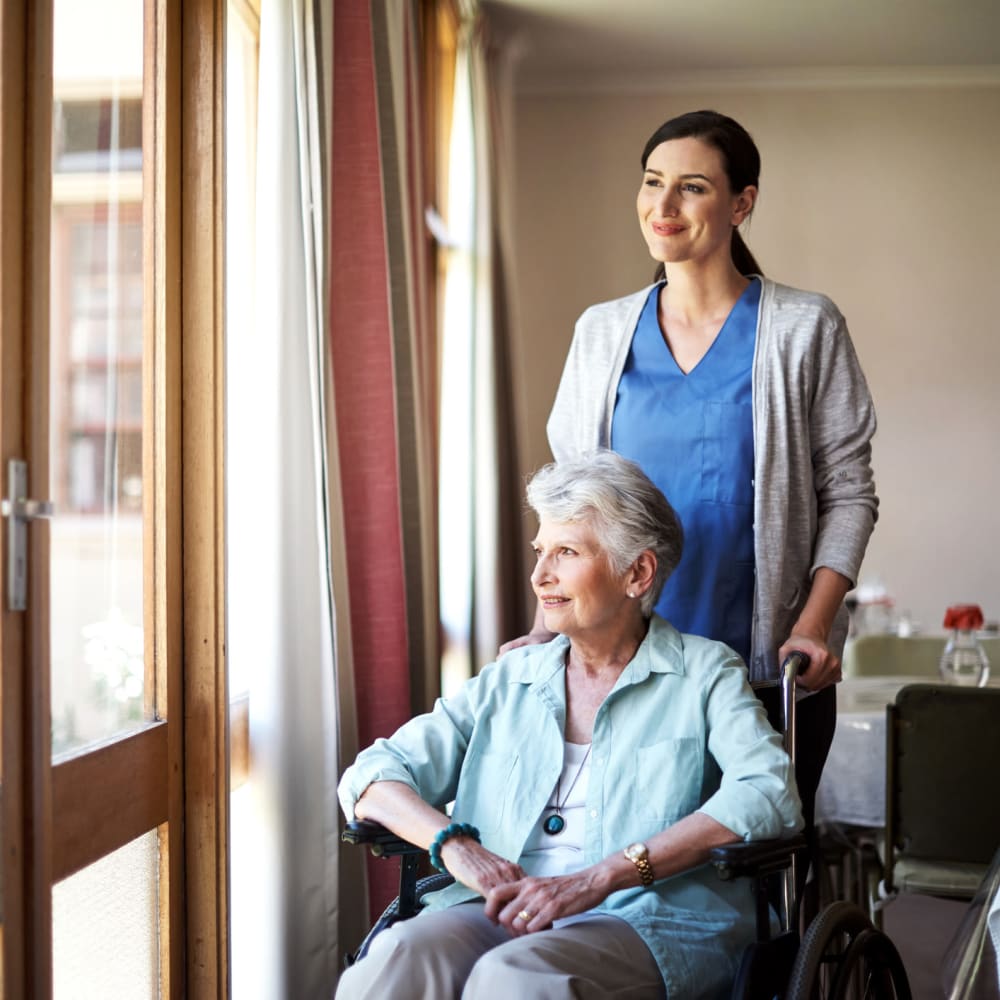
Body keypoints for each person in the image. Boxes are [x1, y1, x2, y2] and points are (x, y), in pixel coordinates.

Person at [505, 109, 878, 832]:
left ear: (741, 204)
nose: (663, 207)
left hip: (763, 669)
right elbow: (569, 507)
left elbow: (850, 492)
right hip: (620, 669)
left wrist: (813, 626)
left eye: (692, 187)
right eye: (652, 183)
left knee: (752, 878)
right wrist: (546, 628)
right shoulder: (602, 332)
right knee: (626, 869)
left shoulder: (804, 327)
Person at [337, 452, 802, 1000]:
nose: (539, 576)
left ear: (638, 573)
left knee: (512, 979)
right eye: (540, 552)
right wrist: (456, 846)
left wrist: (600, 877)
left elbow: (768, 790)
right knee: (397, 956)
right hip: (500, 909)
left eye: (566, 552)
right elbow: (372, 775)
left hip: (645, 919)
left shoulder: (703, 672)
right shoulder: (510, 679)